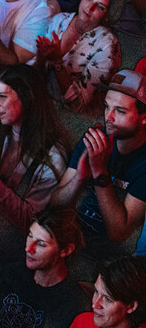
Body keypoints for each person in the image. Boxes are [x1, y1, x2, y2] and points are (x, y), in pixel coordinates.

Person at [51, 69, 146, 256]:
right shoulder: (96, 137)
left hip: (110, 253)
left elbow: (119, 233)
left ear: (144, 118)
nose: (108, 117)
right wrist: (79, 177)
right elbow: (54, 206)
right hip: (70, 235)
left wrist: (100, 171)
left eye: (120, 111)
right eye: (106, 107)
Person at [0, 65, 68, 229]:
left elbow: (30, 221)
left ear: (27, 97)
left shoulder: (53, 157)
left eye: (2, 96)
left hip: (11, 238)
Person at [0, 207, 89, 328]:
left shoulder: (73, 304)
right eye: (30, 236)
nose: (28, 248)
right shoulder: (11, 272)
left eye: (41, 244)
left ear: (66, 250)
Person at [36, 0, 121, 113]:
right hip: (40, 98)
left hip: (67, 115)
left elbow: (79, 105)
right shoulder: (60, 20)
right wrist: (41, 58)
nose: (89, 7)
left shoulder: (107, 46)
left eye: (100, 7)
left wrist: (58, 62)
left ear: (107, 16)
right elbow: (36, 73)